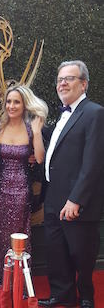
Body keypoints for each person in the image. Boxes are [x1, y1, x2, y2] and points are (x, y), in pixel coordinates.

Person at [38, 60, 104, 308]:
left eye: (69, 78)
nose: (62, 83)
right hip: (53, 197)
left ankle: (86, 297)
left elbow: (94, 163)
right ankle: (61, 295)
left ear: (84, 83)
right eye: (59, 79)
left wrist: (76, 199)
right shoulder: (65, 115)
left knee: (81, 252)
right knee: (56, 251)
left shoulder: (95, 113)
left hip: (76, 201)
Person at [0, 85, 48, 294]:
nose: (11, 106)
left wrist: (37, 132)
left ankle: (18, 282)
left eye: (16, 102)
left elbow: (39, 158)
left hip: (21, 192)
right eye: (9, 102)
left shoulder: (31, 129)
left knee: (18, 237)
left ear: (24, 105)